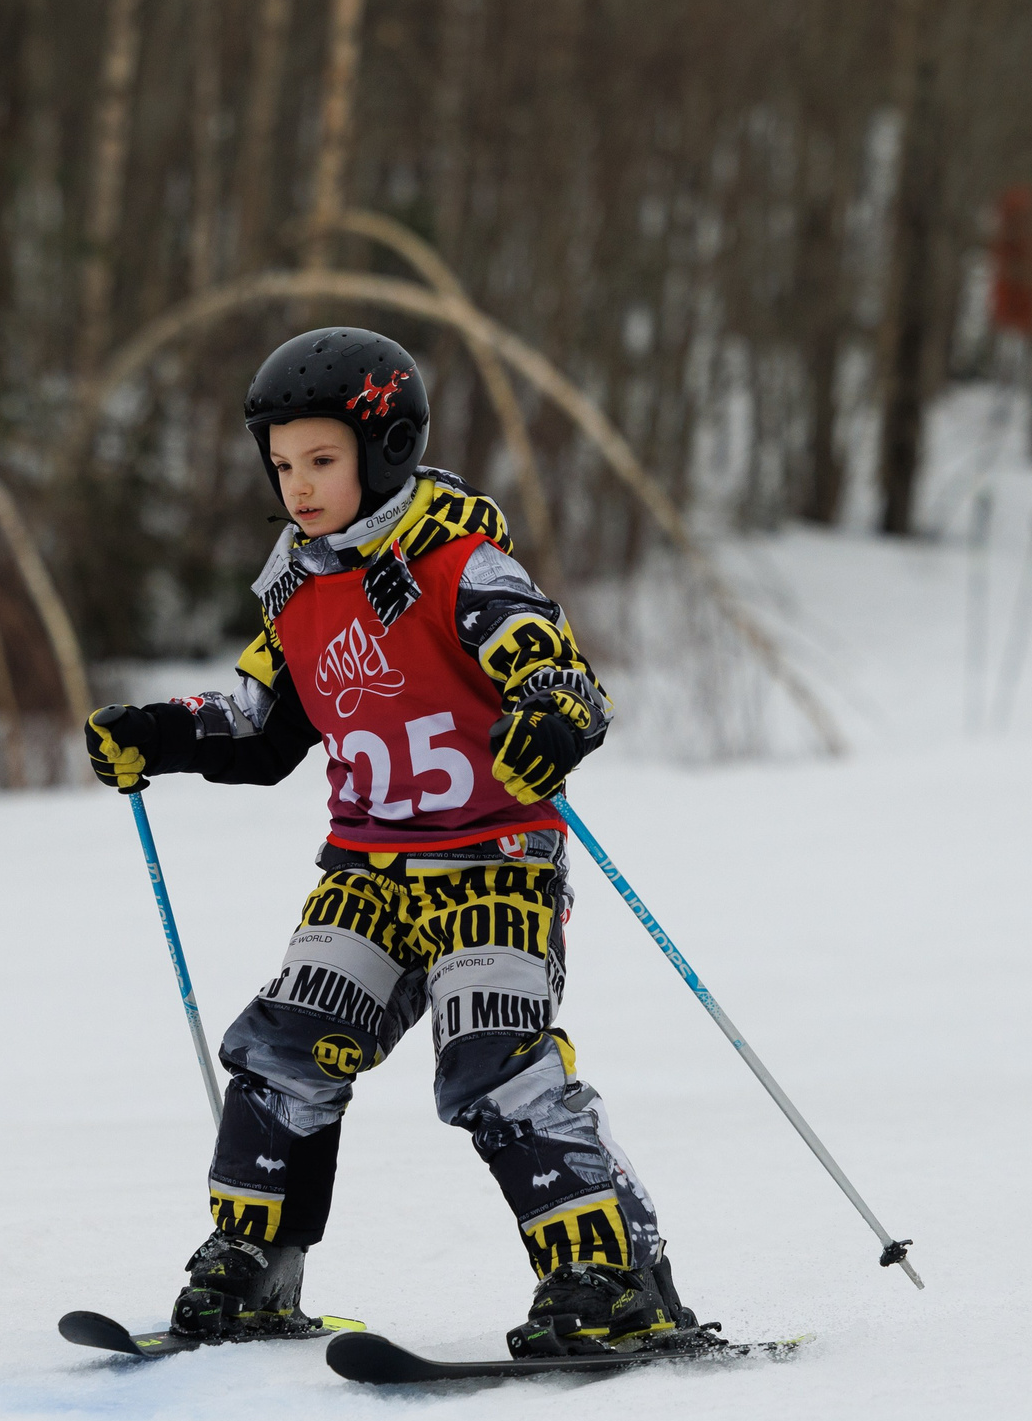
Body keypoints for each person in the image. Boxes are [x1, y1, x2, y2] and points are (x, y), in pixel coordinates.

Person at [82, 326, 714, 1359]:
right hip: (367, 869)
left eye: (321, 460)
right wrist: (156, 731)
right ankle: (252, 1262)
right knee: (284, 1046)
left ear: (384, 449)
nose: (298, 485)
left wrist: (548, 720)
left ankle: (609, 1276)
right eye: (281, 463)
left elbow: (561, 675)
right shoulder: (295, 587)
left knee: (492, 1060)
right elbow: (259, 726)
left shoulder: (460, 562)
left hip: (491, 863)